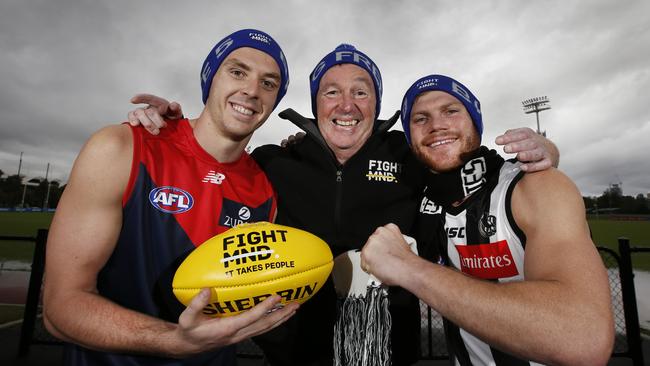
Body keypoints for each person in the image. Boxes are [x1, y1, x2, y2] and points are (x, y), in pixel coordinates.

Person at [127, 44, 559, 366]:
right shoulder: (274, 162)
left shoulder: (411, 159)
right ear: (316, 102)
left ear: (377, 103)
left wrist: (541, 153)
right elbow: (210, 162)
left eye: (361, 92)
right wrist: (173, 129)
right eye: (331, 92)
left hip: (387, 355)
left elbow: (467, 165)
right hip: (290, 356)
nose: (346, 105)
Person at [42, 29, 299, 366]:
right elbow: (61, 307)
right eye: (237, 71)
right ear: (211, 79)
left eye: (268, 83)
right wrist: (173, 341)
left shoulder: (266, 189)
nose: (251, 90)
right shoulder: (122, 147)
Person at [360, 74, 614, 366]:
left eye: (451, 111)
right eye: (420, 119)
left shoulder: (534, 186)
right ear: (410, 138)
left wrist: (409, 268)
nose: (436, 125)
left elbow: (583, 337)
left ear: (475, 121)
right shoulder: (424, 200)